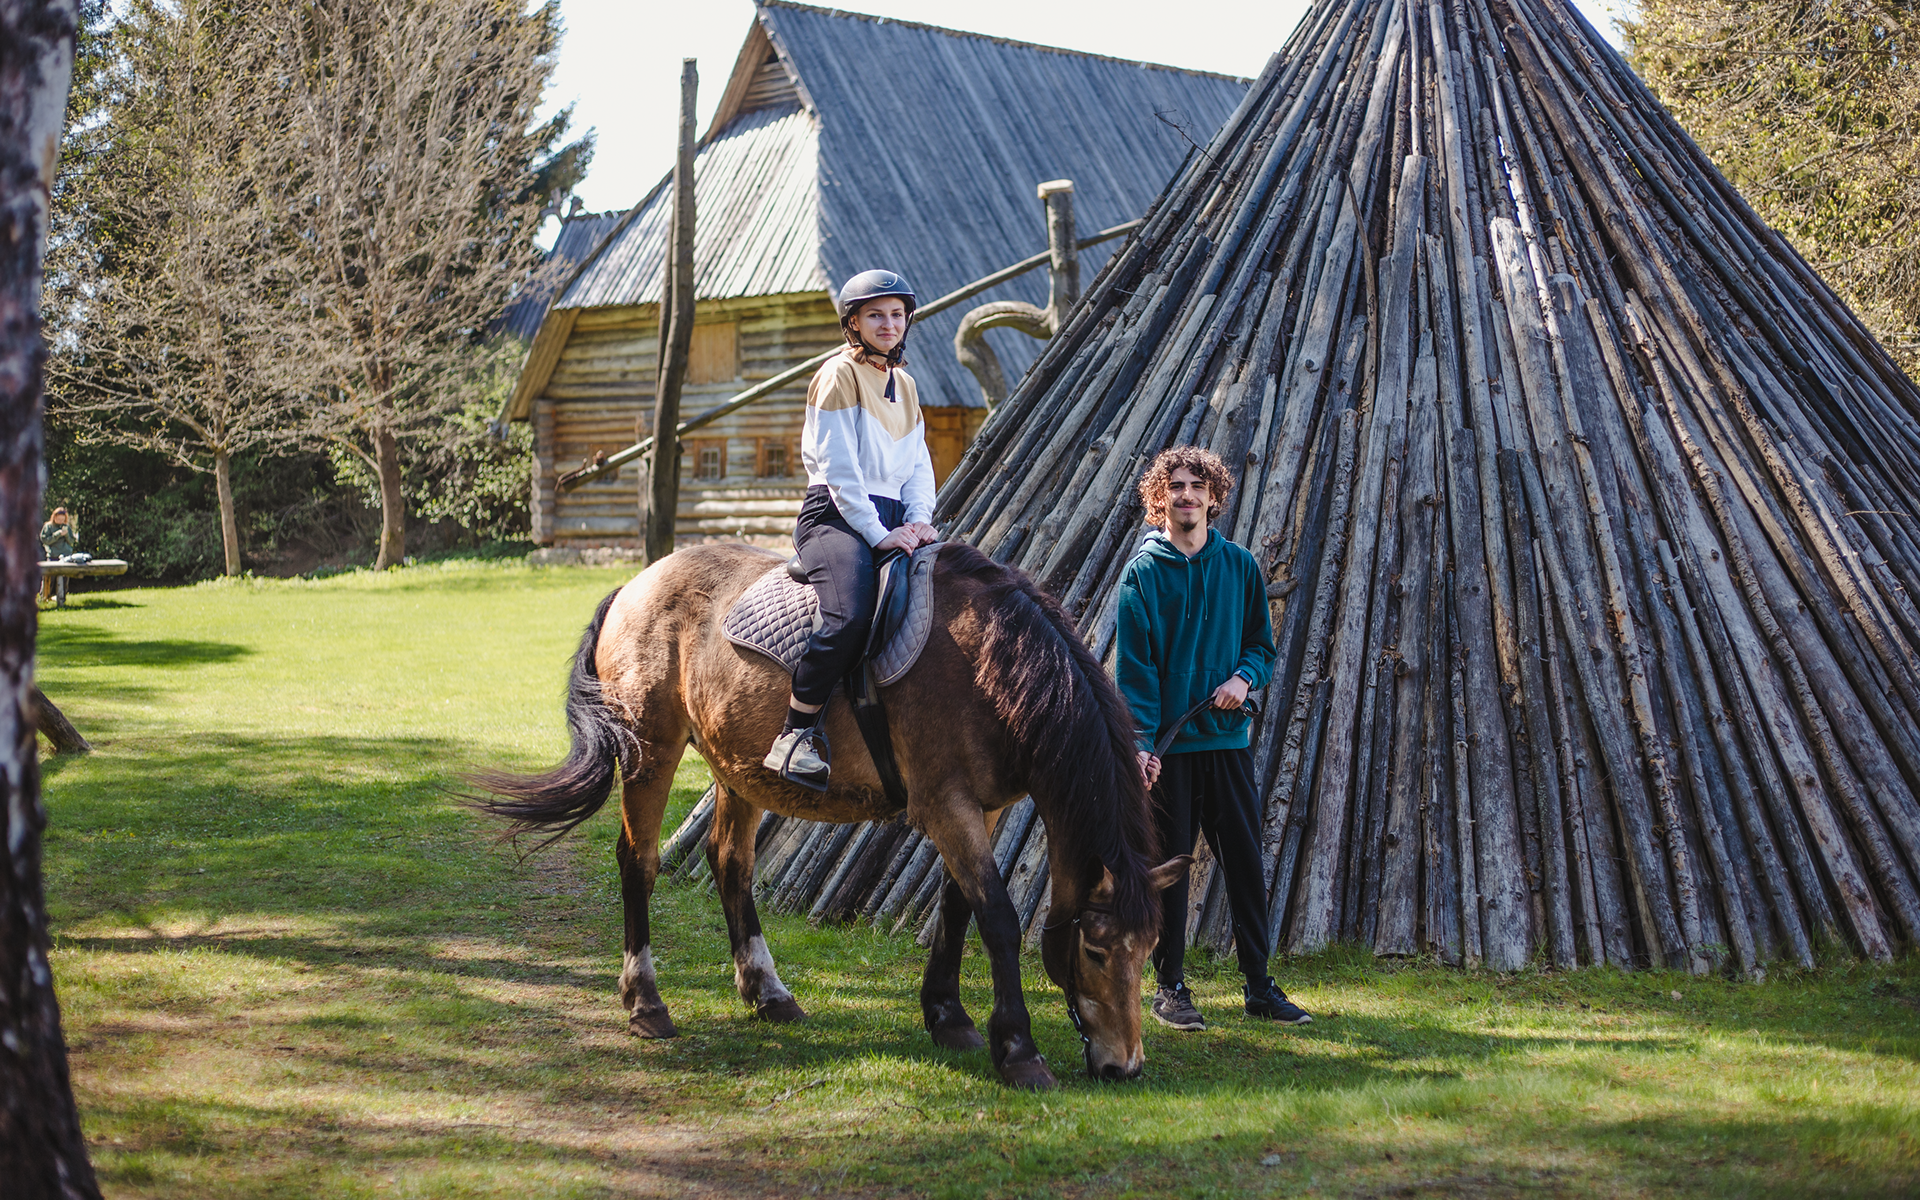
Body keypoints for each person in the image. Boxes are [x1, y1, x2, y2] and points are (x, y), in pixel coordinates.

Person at [1116, 446, 1312, 1030]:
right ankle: (1170, 988)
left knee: (1246, 864)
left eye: (1197, 487)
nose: (1187, 496)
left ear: (1214, 497)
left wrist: (1243, 679)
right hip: (1171, 752)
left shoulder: (1240, 566)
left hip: (1227, 743)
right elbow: (1135, 672)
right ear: (1160, 498)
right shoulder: (1142, 575)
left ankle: (1259, 986)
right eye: (1176, 486)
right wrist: (1142, 743)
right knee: (1170, 872)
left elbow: (1260, 645)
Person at [763, 270, 938, 789]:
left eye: (897, 314)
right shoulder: (837, 374)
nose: (889, 324)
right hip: (835, 516)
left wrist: (919, 519)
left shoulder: (905, 384)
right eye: (875, 315)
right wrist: (878, 534)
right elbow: (839, 470)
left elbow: (919, 464)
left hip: (894, 517)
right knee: (850, 614)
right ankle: (793, 735)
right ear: (853, 323)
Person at [40, 506, 78, 602]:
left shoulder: (66, 527)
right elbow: (45, 540)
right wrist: (57, 535)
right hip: (53, 555)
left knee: (64, 579)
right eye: (59, 519)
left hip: (65, 555)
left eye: (62, 519)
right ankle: (45, 597)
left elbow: (71, 542)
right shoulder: (48, 527)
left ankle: (62, 597)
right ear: (54, 517)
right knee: (50, 579)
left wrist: (67, 535)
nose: (60, 521)